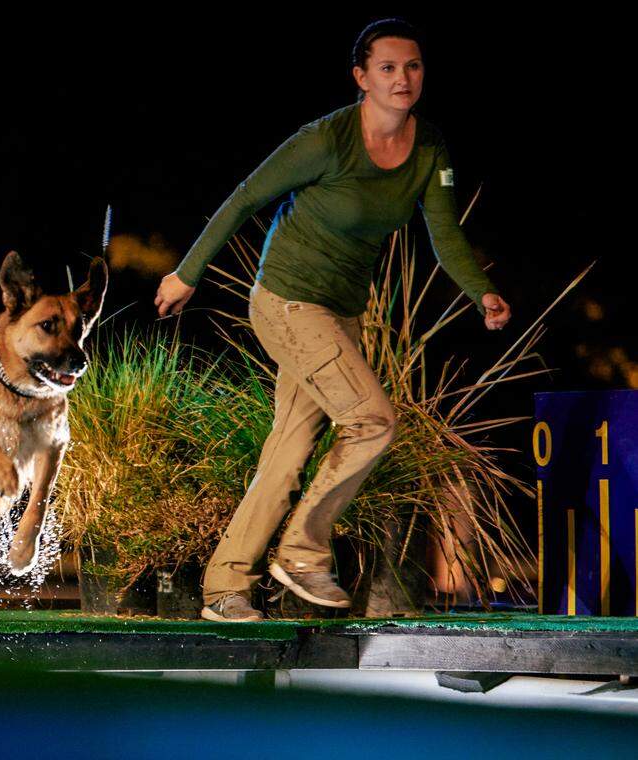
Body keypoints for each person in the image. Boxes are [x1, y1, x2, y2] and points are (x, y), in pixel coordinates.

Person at [154, 18, 512, 623]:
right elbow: (245, 195)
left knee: (288, 451)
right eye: (389, 68)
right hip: (288, 303)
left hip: (342, 315)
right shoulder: (327, 140)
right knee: (371, 421)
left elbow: (445, 234)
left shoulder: (429, 149)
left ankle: (224, 585)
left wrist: (482, 294)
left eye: (413, 67)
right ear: (361, 77)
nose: (403, 79)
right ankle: (300, 552)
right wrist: (187, 273)